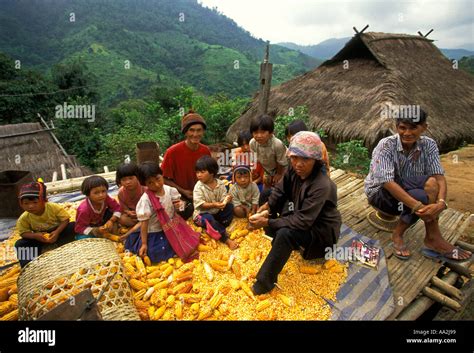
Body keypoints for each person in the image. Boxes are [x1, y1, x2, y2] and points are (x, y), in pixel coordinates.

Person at [364, 108, 472, 261]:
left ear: (424, 127)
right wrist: (421, 208)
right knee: (420, 197)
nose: (407, 133)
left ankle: (424, 237)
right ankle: (426, 238)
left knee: (432, 184)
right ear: (396, 127)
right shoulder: (386, 145)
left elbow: (439, 176)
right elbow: (387, 182)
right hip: (380, 193)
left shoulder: (429, 145)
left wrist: (441, 203)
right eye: (403, 128)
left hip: (409, 190)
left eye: (413, 128)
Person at [249, 131, 341, 294]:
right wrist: (267, 207)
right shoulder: (293, 169)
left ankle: (264, 282)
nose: (298, 164)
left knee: (286, 233)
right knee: (267, 195)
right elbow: (280, 190)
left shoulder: (322, 185)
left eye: (305, 159)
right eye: (294, 157)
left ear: (315, 159)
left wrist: (269, 222)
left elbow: (303, 221)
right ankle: (277, 244)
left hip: (320, 232)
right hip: (300, 211)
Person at [125, 162, 198, 263]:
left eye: (158, 179)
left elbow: (178, 209)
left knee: (188, 242)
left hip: (171, 225)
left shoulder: (170, 190)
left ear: (162, 175)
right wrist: (144, 243)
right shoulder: (146, 200)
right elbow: (144, 223)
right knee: (155, 254)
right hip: (155, 231)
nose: (156, 184)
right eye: (150, 183)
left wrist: (180, 205)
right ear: (144, 184)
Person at [161, 110, 211, 220]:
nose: (195, 134)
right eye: (191, 130)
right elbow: (164, 179)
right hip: (180, 195)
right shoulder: (172, 152)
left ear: (203, 132)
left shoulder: (205, 151)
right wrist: (183, 191)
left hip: (201, 194)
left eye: (199, 130)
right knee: (184, 211)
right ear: (185, 132)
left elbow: (210, 175)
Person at [15, 181, 76, 267]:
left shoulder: (53, 208)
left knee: (73, 226)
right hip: (40, 238)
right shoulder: (24, 218)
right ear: (21, 204)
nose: (30, 206)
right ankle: (29, 266)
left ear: (44, 201)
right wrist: (36, 236)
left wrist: (57, 232)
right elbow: (23, 233)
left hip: (57, 233)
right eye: (26, 203)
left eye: (35, 202)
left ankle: (67, 249)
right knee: (20, 244)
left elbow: (65, 220)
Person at [193, 155, 239, 250]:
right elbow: (201, 204)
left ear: (212, 173)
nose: (199, 175)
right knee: (208, 219)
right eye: (197, 172)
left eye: (202, 172)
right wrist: (214, 204)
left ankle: (216, 227)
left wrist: (226, 199)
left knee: (230, 207)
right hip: (201, 215)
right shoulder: (198, 187)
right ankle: (225, 239)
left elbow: (223, 198)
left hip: (216, 212)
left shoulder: (220, 184)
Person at [249, 114, 288, 189]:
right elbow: (256, 159)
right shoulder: (252, 143)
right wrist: (253, 169)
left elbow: (281, 162)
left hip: (282, 168)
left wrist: (279, 174)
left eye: (263, 132)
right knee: (266, 184)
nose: (259, 135)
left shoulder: (277, 144)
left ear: (271, 133)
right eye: (256, 132)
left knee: (280, 186)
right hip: (268, 169)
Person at [116, 162, 145, 228]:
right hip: (134, 217)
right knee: (122, 219)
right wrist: (129, 212)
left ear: (137, 177)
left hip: (147, 214)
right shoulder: (121, 193)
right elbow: (124, 209)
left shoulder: (144, 189)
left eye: (131, 178)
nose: (128, 182)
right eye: (124, 180)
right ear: (119, 181)